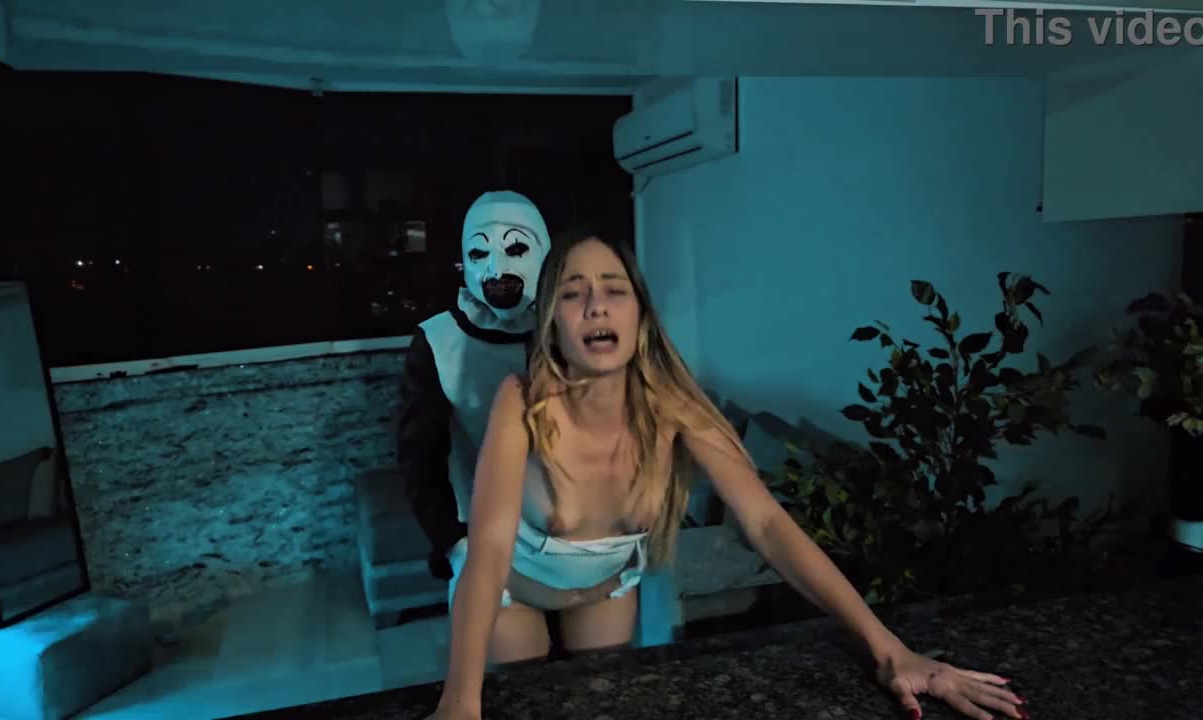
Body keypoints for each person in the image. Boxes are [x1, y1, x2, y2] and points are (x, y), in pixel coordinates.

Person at [426, 229, 1028, 720]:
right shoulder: (522, 400)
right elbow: (489, 549)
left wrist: (890, 650)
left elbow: (766, 524)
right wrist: (459, 702)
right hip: (514, 593)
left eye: (614, 289)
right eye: (572, 293)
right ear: (551, 323)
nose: (596, 305)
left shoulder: (672, 408)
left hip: (607, 592)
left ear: (641, 315)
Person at [398, 191, 551, 581]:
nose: (496, 269)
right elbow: (420, 457)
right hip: (478, 529)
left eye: (516, 248)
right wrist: (452, 541)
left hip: (568, 527)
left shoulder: (567, 328)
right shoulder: (438, 341)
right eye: (479, 254)